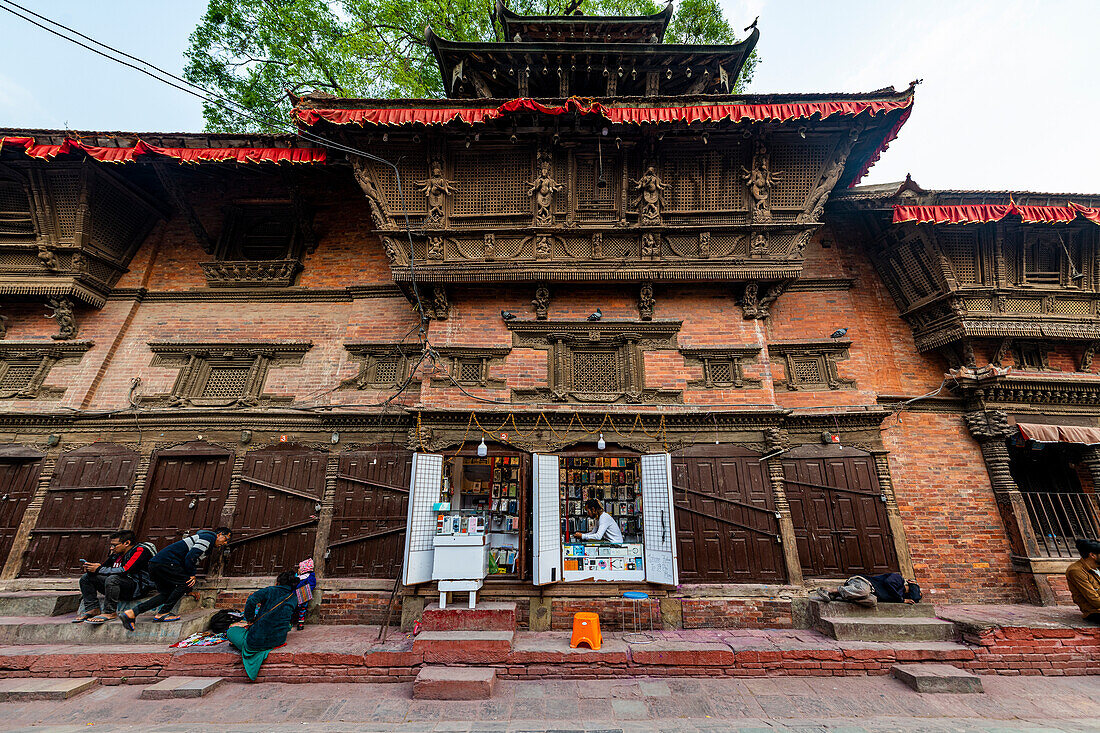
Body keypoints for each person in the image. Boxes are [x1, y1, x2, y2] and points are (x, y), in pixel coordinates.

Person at [119, 527, 231, 629]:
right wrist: (191, 576)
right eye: (225, 539)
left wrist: (188, 591)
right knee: (185, 583)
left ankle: (132, 613)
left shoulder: (207, 543)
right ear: (219, 534)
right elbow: (191, 558)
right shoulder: (208, 537)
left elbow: (189, 561)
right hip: (166, 563)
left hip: (157, 564)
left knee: (166, 594)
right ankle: (163, 613)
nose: (225, 543)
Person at [227, 571, 299, 681]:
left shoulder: (270, 590)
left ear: (278, 582)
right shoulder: (294, 597)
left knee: (231, 631)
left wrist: (250, 619)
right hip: (279, 640)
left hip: (256, 641)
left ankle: (251, 649)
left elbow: (251, 600)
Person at [73, 530, 155, 624]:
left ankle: (110, 612)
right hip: (120, 586)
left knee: (113, 579)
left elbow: (126, 570)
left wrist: (99, 569)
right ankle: (92, 609)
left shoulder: (140, 550)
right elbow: (104, 568)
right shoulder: (116, 554)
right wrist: (92, 569)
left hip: (137, 588)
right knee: (86, 578)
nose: (111, 548)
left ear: (127, 543)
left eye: (114, 545)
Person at [810, 572, 922, 607]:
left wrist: (901, 599)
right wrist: (901, 600)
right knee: (864, 591)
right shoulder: (899, 579)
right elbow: (888, 583)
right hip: (862, 582)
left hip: (867, 593)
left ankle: (837, 596)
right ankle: (829, 589)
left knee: (872, 602)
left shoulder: (898, 595)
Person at [1065, 538, 1100, 622]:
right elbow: (1094, 600)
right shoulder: (1076, 571)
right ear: (1092, 555)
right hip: (1094, 611)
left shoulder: (1098, 567)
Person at [293, 558, 316, 631]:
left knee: (302, 609)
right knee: (293, 608)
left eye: (299, 568)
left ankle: (300, 623)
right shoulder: (297, 576)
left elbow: (312, 585)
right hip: (295, 596)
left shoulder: (309, 577)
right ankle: (291, 621)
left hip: (303, 596)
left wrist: (307, 589)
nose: (298, 569)